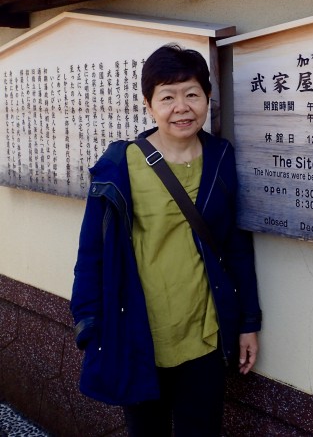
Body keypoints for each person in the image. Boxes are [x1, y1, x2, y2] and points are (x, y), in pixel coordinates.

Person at [70, 44, 261, 436]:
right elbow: (92, 253)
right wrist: (88, 325)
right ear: (149, 104)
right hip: (138, 333)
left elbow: (237, 248)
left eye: (191, 94)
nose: (182, 107)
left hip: (205, 335)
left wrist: (248, 323)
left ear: (207, 97)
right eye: (168, 97)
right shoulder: (120, 165)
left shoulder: (222, 157)